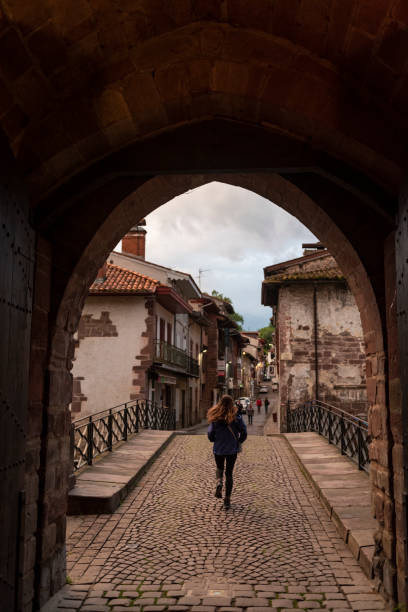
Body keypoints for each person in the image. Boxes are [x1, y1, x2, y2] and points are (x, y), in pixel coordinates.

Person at [207, 395, 247, 509]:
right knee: (229, 473)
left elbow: (210, 434)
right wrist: (239, 441)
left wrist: (214, 440)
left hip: (219, 449)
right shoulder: (236, 417)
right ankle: (227, 499)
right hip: (231, 449)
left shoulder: (215, 417)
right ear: (231, 404)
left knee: (219, 468)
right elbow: (244, 432)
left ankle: (219, 482)